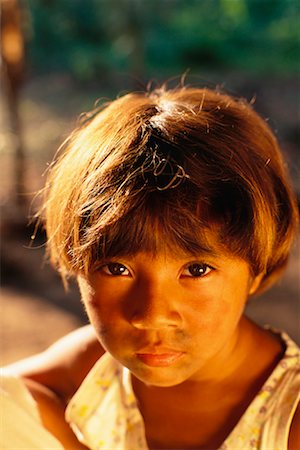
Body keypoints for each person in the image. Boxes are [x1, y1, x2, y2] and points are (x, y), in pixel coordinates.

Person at [2, 85, 300, 449]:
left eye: (197, 270)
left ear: (258, 268)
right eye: (117, 269)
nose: (152, 315)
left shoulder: (290, 420)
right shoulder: (92, 367)